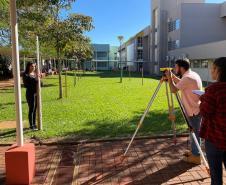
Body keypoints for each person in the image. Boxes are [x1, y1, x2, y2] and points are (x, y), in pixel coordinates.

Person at [165, 58, 203, 164]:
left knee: (194, 133)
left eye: (176, 66)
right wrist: (172, 77)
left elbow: (173, 90)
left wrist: (169, 78)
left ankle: (196, 156)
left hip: (193, 110)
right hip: (196, 108)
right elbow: (182, 83)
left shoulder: (187, 78)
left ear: (181, 68)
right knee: (194, 132)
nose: (174, 68)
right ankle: (195, 152)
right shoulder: (191, 75)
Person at [199, 57, 226, 185]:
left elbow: (205, 112)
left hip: (215, 137)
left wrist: (203, 99)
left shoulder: (213, 90)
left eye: (213, 68)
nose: (211, 71)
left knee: (216, 174)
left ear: (219, 70)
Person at [23, 62, 39, 131]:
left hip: (36, 94)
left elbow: (40, 83)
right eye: (32, 66)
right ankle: (31, 125)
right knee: (31, 109)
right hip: (30, 94)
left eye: (34, 66)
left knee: (35, 109)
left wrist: (38, 79)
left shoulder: (35, 74)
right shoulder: (25, 75)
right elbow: (26, 85)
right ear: (28, 66)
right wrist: (36, 79)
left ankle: (34, 124)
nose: (33, 67)